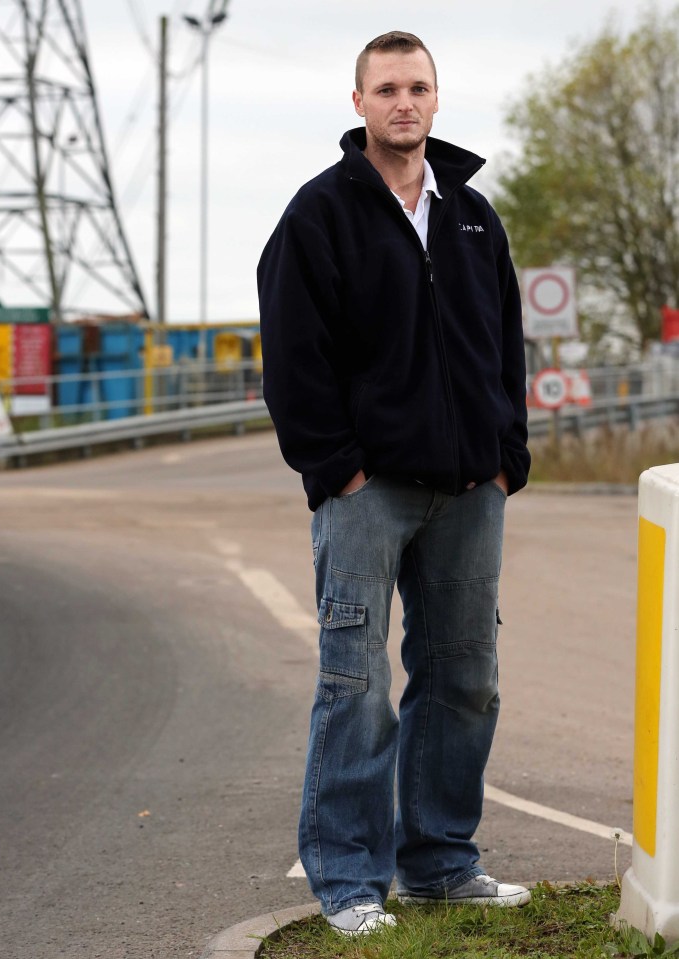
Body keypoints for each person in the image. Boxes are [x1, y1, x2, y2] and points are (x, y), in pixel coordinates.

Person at [257, 31, 531, 937]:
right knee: (355, 683)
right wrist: (336, 467)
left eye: (417, 87)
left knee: (464, 676)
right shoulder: (319, 215)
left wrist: (504, 456)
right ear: (359, 102)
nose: (402, 103)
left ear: (436, 99)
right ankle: (347, 881)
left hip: (467, 487)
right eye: (385, 89)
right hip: (367, 490)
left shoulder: (471, 216)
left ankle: (440, 864)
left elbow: (504, 347)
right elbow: (294, 359)